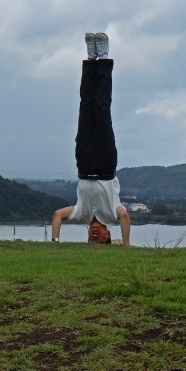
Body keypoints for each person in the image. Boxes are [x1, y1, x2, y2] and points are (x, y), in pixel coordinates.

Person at [51, 32, 131, 247]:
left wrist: (55, 242)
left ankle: (90, 60)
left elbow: (58, 215)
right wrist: (126, 244)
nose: (95, 235)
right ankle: (103, 59)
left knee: (86, 107)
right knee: (102, 109)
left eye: (91, 238)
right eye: (99, 238)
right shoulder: (113, 215)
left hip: (85, 165)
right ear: (108, 235)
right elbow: (125, 216)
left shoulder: (80, 215)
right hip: (105, 166)